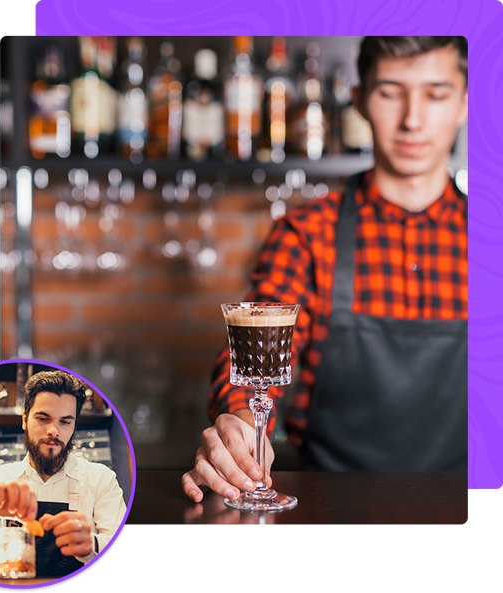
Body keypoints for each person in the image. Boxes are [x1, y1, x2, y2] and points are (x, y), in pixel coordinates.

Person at [183, 36, 468, 503]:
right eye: (391, 92)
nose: (413, 119)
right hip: (335, 511)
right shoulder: (306, 232)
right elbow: (257, 349)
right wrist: (236, 428)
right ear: (359, 101)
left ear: (463, 104)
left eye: (436, 94)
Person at [0, 370, 127, 577]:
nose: (53, 431)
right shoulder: (2, 477)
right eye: (43, 418)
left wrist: (92, 544)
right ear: (24, 420)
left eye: (65, 422)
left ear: (74, 426)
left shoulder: (101, 479)